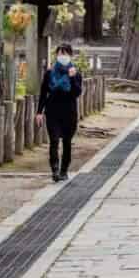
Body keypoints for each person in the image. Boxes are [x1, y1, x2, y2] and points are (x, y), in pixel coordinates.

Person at [36, 43, 82, 182]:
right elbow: (44, 93)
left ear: (70, 55)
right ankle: (55, 169)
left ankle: (64, 170)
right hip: (53, 112)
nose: (62, 56)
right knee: (54, 141)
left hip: (69, 112)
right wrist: (39, 112)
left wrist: (73, 78)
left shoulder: (75, 73)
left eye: (65, 53)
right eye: (60, 53)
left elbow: (77, 93)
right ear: (56, 55)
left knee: (67, 142)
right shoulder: (50, 73)